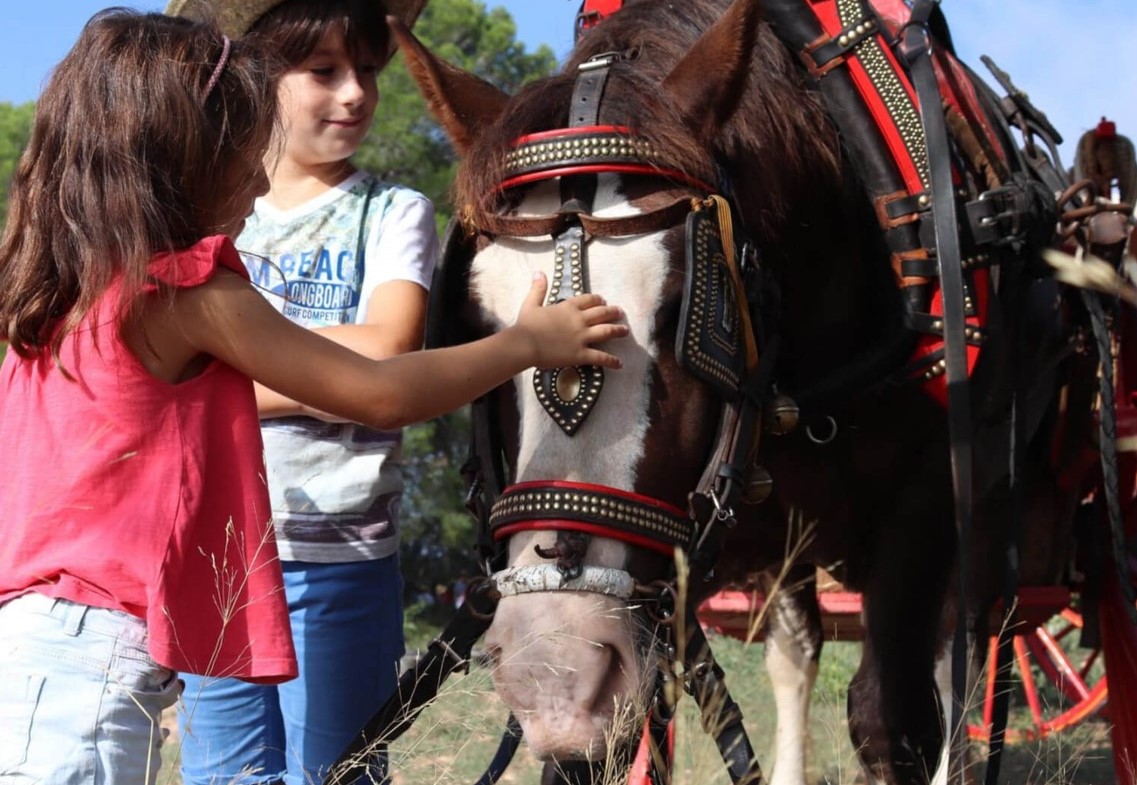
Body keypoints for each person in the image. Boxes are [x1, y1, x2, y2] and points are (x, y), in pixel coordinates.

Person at [0, 10, 626, 785]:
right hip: (92, 662)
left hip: (34, 636)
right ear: (181, 158)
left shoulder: (64, 289)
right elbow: (378, 392)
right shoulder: (188, 293)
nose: (261, 180)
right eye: (244, 154)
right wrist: (525, 345)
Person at [163, 0, 431, 782]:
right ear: (255, 76)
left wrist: (220, 373)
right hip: (215, 553)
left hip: (340, 556)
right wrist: (325, 376)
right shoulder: (199, 216)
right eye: (324, 71)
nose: (355, 94)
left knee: (336, 771)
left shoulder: (393, 212)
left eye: (369, 74)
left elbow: (384, 354)